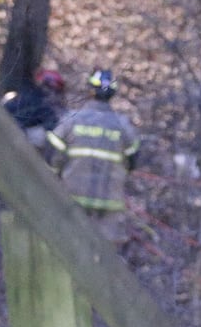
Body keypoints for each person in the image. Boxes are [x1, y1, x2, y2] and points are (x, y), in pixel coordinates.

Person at [46, 68, 140, 247]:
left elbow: (52, 153)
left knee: (71, 249)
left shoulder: (71, 120)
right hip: (109, 205)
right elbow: (133, 160)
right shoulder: (123, 126)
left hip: (73, 199)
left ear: (90, 89)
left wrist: (55, 175)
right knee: (104, 258)